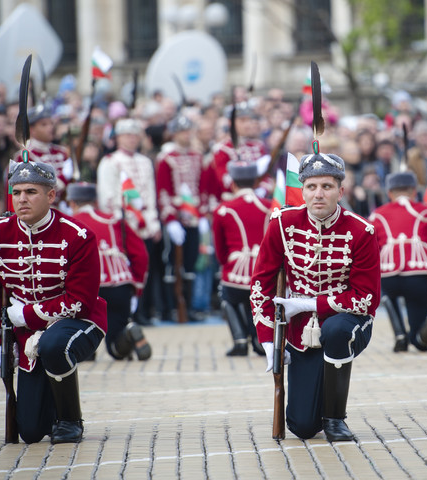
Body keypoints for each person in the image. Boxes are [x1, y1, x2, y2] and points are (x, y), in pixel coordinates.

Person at [251, 149, 380, 442]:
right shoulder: (282, 224)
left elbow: (367, 298)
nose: (318, 194)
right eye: (311, 186)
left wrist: (310, 304)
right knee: (303, 426)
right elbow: (261, 283)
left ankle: (335, 419)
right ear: (302, 191)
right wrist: (268, 338)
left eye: (327, 186)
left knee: (335, 331)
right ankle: (318, 408)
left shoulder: (362, 231)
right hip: (299, 331)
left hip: (348, 322)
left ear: (340, 191)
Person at [0, 161, 107, 444]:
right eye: (16, 192)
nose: (21, 199)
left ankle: (70, 419)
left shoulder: (78, 235)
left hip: (78, 321)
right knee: (30, 432)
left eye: (31, 191)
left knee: (55, 344)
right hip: (25, 330)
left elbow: (80, 301)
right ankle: (51, 402)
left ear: (51, 196)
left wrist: (27, 315)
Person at [369, 171, 427, 352]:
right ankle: (423, 331)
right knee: (420, 341)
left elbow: (369, 250)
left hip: (387, 273)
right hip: (420, 273)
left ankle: (400, 335)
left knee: (387, 295)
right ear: (414, 192)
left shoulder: (377, 215)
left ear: (390, 193)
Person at [67, 182, 151, 361]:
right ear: (96, 201)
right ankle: (127, 334)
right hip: (119, 285)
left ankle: (87, 351)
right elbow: (141, 255)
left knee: (82, 336)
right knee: (116, 347)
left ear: (72, 203)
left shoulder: (68, 224)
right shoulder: (114, 220)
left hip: (86, 288)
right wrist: (137, 285)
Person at [96, 118, 163, 324]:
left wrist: (153, 222)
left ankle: (145, 310)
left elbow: (150, 195)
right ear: (117, 138)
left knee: (145, 268)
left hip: (144, 224)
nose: (131, 139)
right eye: (127, 135)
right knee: (127, 270)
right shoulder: (110, 161)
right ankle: (130, 313)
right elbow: (107, 196)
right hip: (123, 225)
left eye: (135, 135)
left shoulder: (144, 161)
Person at [212, 161, 271, 356]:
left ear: (234, 183)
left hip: (236, 270)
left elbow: (220, 249)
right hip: (264, 269)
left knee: (228, 298)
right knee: (259, 302)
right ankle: (259, 339)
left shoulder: (223, 209)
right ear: (255, 182)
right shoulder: (270, 207)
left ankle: (239, 341)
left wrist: (225, 265)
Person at [156, 115, 208, 322]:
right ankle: (171, 307)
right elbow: (163, 190)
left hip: (194, 217)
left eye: (189, 131)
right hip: (176, 218)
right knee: (172, 263)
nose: (187, 135)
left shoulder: (197, 157)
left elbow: (203, 188)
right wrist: (170, 218)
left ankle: (188, 305)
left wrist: (202, 213)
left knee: (191, 261)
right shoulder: (166, 158)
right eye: (183, 132)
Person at [14, 105, 74, 202]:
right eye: (44, 125)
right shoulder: (25, 156)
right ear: (32, 130)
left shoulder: (62, 152)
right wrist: (64, 178)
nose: (50, 127)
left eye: (51, 123)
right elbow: (36, 187)